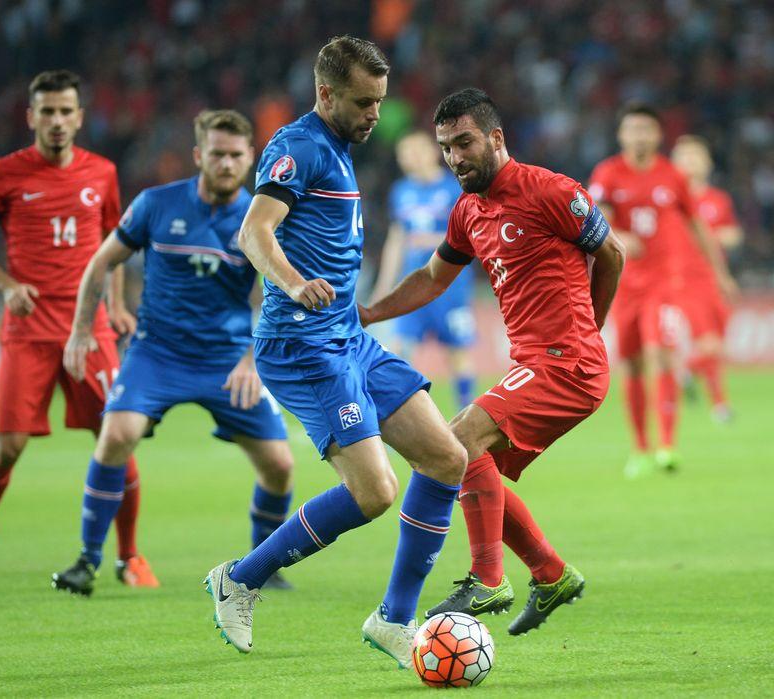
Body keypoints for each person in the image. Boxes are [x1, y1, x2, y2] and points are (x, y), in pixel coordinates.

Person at [203, 36, 467, 667]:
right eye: (363, 101)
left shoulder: (342, 150)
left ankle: (393, 619)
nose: (376, 113)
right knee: (375, 491)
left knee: (446, 458)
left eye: (380, 100)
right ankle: (240, 578)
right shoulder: (298, 148)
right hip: (301, 345)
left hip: (348, 338)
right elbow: (253, 231)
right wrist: (294, 283)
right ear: (325, 93)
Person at [360, 87, 626, 636]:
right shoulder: (467, 211)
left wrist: (588, 333)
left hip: (567, 362)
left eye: (464, 143)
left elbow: (612, 255)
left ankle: (487, 577)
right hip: (532, 361)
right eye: (446, 148)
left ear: (495, 138)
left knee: (456, 442)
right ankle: (550, 574)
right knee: (465, 465)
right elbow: (434, 278)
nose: (455, 157)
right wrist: (369, 312)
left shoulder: (551, 190)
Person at [51, 110, 295, 596]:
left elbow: (273, 295)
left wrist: (252, 358)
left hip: (228, 360)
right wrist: (82, 329)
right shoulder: (155, 205)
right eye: (217, 154)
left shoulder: (260, 220)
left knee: (281, 466)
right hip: (156, 354)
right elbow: (101, 262)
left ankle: (264, 564)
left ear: (250, 160)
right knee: (116, 434)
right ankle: (88, 560)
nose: (226, 163)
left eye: (236, 155)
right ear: (199, 155)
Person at [0, 70, 153, 591]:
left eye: (65, 111)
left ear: (79, 117)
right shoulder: (2, 174)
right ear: (31, 117)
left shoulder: (102, 173)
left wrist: (117, 306)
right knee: (6, 446)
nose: (56, 121)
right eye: (46, 111)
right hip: (27, 329)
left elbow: (114, 247)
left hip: (90, 331)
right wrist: (7, 285)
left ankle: (129, 556)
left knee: (116, 439)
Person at [588, 104, 736, 478]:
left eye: (646, 129)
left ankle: (667, 445)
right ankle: (640, 447)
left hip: (664, 284)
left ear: (657, 135)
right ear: (622, 135)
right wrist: (619, 236)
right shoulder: (608, 172)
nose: (639, 136)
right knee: (634, 363)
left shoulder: (672, 176)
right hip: (623, 283)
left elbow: (698, 225)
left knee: (663, 352)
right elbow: (595, 218)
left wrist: (719, 272)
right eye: (632, 129)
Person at [370, 131, 475, 411]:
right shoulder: (401, 191)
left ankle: (466, 414)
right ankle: (400, 418)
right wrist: (384, 286)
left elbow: (469, 234)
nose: (408, 159)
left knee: (458, 352)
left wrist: (427, 240)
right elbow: (397, 240)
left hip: (451, 287)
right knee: (400, 351)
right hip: (412, 286)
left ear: (431, 152)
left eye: (414, 152)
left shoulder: (454, 188)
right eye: (403, 155)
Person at [671, 135, 742, 422]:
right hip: (686, 280)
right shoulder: (670, 201)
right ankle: (720, 405)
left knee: (717, 345)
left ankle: (687, 370)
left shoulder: (717, 199)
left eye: (695, 156)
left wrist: (720, 238)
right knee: (709, 343)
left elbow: (733, 234)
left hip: (715, 277)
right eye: (684, 156)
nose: (690, 162)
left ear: (708, 163)